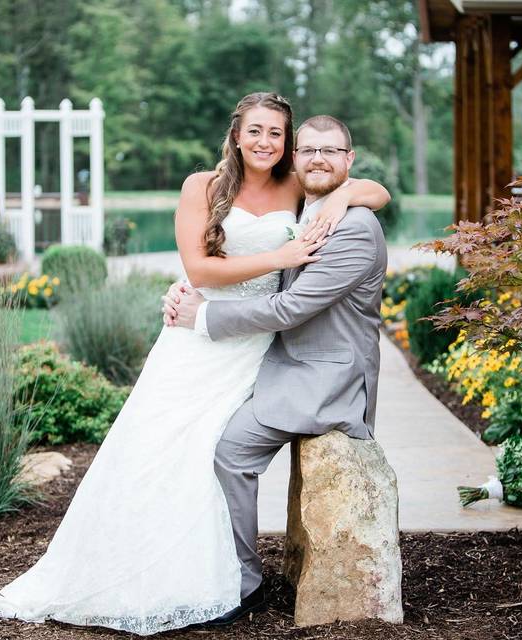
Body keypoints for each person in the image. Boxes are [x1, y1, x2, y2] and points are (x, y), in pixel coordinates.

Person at [0, 92, 389, 636]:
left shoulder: (300, 184)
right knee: (159, 449)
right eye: (256, 131)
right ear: (237, 134)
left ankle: (221, 571)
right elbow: (199, 270)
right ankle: (140, 565)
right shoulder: (202, 186)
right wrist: (277, 259)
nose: (266, 143)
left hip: (254, 344)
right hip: (201, 334)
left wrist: (344, 200)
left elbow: (370, 188)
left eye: (277, 134)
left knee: (210, 453)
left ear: (288, 145)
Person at [164, 113, 388, 626]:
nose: (318, 159)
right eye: (308, 149)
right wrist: (196, 291)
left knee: (231, 450)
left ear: (348, 160)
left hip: (325, 377)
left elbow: (289, 309)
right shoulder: (310, 205)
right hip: (281, 360)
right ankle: (210, 563)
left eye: (331, 151)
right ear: (295, 157)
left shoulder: (353, 228)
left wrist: (206, 317)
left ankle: (244, 583)